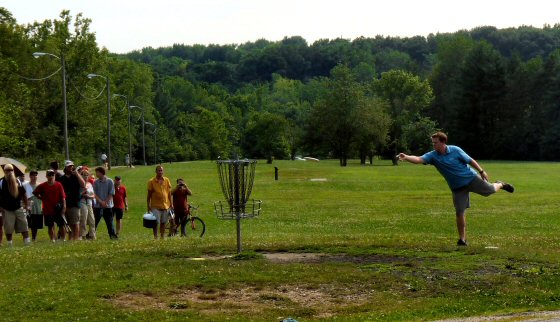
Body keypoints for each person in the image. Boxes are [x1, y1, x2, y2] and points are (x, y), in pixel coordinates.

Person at [397, 131, 515, 246]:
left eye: (436, 142)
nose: (434, 145)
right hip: (457, 188)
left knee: (490, 190)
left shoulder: (455, 150)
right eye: (433, 143)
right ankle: (462, 240)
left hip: (471, 179)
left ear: (443, 142)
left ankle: (501, 184)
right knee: (459, 212)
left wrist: (481, 171)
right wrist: (406, 157)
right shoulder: (433, 156)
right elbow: (419, 159)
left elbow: (470, 160)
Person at [0, 164, 30, 246]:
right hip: (7, 209)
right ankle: (10, 244)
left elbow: (24, 194)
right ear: (4, 171)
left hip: (18, 207)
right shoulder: (1, 182)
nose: (9, 172)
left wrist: (27, 205)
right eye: (7, 170)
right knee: (8, 229)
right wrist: (1, 208)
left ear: (13, 171)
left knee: (24, 226)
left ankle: (27, 243)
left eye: (11, 170)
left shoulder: (18, 181)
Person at [33, 169, 66, 242]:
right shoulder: (42, 185)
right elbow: (35, 192)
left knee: (61, 225)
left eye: (52, 174)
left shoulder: (59, 184)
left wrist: (64, 207)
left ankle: (63, 239)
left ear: (54, 175)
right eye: (49, 175)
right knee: (50, 226)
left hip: (58, 209)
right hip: (47, 210)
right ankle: (52, 239)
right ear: (46, 176)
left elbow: (63, 197)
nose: (51, 176)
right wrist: (41, 198)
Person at [57, 160, 86, 241]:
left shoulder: (76, 177)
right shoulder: (61, 178)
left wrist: (77, 174)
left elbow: (83, 185)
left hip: (74, 203)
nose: (71, 168)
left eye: (72, 166)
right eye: (69, 166)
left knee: (75, 222)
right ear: (65, 167)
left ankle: (75, 239)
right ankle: (70, 238)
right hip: (64, 203)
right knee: (67, 223)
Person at [146, 165, 172, 239]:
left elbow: (169, 193)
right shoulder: (151, 181)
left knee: (163, 222)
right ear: (156, 171)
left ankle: (162, 237)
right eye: (159, 170)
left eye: (161, 170)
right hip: (155, 206)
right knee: (155, 223)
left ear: (163, 171)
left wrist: (171, 204)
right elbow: (149, 195)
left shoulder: (166, 180)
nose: (160, 172)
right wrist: (148, 205)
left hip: (165, 205)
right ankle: (155, 237)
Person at [93, 167, 118, 239]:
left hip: (108, 206)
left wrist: (105, 202)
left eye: (97, 172)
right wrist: (101, 202)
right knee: (95, 221)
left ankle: (113, 236)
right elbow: (94, 194)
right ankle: (91, 235)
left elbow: (111, 193)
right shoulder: (95, 182)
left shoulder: (110, 181)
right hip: (98, 206)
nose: (96, 174)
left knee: (109, 222)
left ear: (101, 172)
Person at [24, 170, 43, 241]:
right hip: (29, 206)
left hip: (38, 205)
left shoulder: (40, 185)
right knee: (28, 223)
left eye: (35, 175)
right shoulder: (26, 185)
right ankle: (27, 238)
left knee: (36, 224)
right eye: (33, 175)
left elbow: (43, 196)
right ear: (30, 176)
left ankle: (34, 238)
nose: (34, 177)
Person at [78, 168, 96, 240]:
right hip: (82, 202)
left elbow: (94, 195)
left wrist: (89, 196)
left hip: (89, 202)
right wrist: (83, 194)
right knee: (83, 219)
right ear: (81, 176)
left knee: (92, 220)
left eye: (87, 175)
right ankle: (83, 235)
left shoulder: (90, 184)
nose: (86, 176)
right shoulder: (79, 185)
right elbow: (77, 195)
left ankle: (92, 235)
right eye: (84, 175)